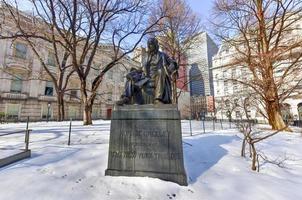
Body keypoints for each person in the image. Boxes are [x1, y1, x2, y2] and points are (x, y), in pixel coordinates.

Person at [143, 37, 178, 104]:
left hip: (159, 75)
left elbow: (173, 63)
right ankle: (126, 97)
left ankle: (158, 98)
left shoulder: (163, 55)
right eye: (148, 44)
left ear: (155, 45)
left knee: (160, 71)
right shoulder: (146, 56)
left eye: (151, 44)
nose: (149, 46)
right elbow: (142, 68)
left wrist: (170, 68)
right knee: (131, 73)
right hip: (147, 76)